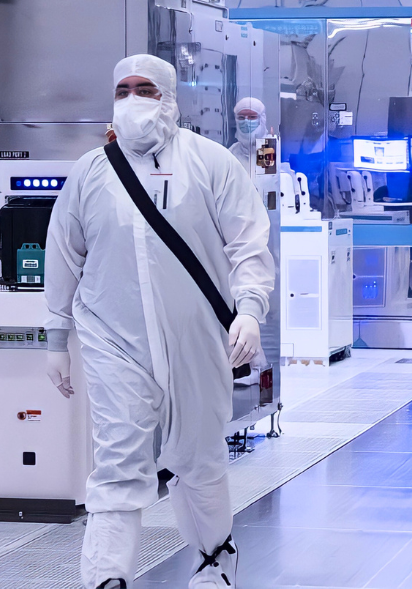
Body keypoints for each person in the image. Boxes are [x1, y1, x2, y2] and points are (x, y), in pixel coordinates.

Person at [45, 54, 274, 589]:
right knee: (118, 458)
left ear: (170, 97)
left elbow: (248, 244)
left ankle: (215, 558)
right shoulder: (92, 171)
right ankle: (106, 577)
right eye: (122, 90)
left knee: (199, 458)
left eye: (144, 89)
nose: (131, 100)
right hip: (113, 340)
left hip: (197, 339)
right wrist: (55, 337)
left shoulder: (210, 163)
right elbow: (63, 254)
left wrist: (250, 309)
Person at [229, 97, 267, 176]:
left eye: (252, 117)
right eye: (241, 117)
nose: (246, 121)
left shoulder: (273, 148)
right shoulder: (232, 152)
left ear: (262, 119)